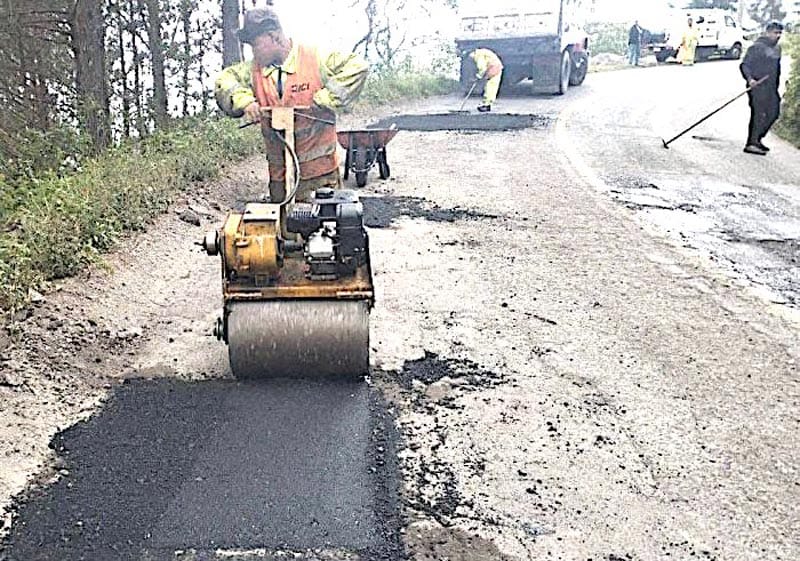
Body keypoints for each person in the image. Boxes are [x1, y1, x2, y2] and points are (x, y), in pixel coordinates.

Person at [214, 8, 368, 202]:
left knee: (325, 229)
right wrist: (244, 100)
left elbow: (358, 67)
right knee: (281, 229)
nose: (253, 52)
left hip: (320, 177)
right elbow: (224, 81)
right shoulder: (254, 70)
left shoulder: (315, 58)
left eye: (256, 45)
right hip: (280, 179)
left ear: (273, 37)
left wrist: (326, 99)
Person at [740, 21, 784, 156]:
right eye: (775, 33)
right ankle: (751, 143)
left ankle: (758, 138)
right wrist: (750, 79)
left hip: (771, 87)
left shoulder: (777, 49)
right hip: (757, 86)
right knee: (758, 114)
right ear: (768, 32)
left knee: (774, 113)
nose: (777, 36)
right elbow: (744, 65)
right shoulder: (757, 47)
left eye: (780, 33)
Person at [469, 48, 503, 112]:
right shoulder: (481, 52)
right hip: (495, 67)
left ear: (472, 53)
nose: (471, 58)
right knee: (491, 87)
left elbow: (482, 68)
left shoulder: (478, 55)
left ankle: (486, 105)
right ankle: (487, 104)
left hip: (494, 68)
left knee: (490, 87)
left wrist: (478, 76)